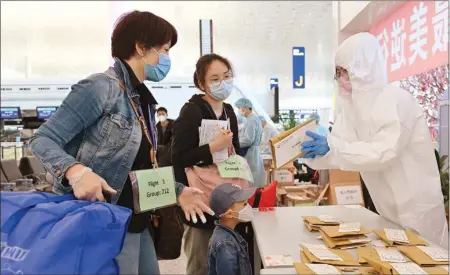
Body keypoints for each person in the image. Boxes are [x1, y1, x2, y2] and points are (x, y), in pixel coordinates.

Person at [29, 11, 214, 275]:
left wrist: (178, 191)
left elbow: (137, 171)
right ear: (140, 47)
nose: (166, 58)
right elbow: (43, 138)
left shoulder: (140, 101)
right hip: (101, 222)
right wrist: (76, 171)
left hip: (136, 222)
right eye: (164, 49)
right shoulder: (100, 87)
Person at [301, 32, 448, 248]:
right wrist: (311, 153)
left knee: (430, 261)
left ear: (364, 68)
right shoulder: (351, 110)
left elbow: (384, 152)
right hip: (387, 210)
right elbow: (339, 150)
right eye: (338, 73)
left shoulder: (396, 100)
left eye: (346, 71)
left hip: (418, 210)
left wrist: (334, 148)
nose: (341, 79)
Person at [171, 54, 241, 275]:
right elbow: (178, 157)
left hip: (225, 196)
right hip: (199, 199)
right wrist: (213, 146)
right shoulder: (192, 110)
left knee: (226, 259)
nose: (223, 83)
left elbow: (234, 150)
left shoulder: (229, 111)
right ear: (202, 83)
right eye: (215, 79)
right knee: (201, 261)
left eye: (227, 76)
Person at [208, 183, 255, 275]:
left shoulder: (227, 234)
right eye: (244, 204)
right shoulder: (226, 244)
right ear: (229, 214)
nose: (248, 207)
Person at [235, 98, 265, 188]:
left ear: (246, 108)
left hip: (251, 154)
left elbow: (248, 140)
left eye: (240, 108)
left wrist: (234, 143)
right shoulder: (253, 119)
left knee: (250, 181)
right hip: (254, 153)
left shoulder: (251, 120)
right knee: (254, 178)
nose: (239, 110)